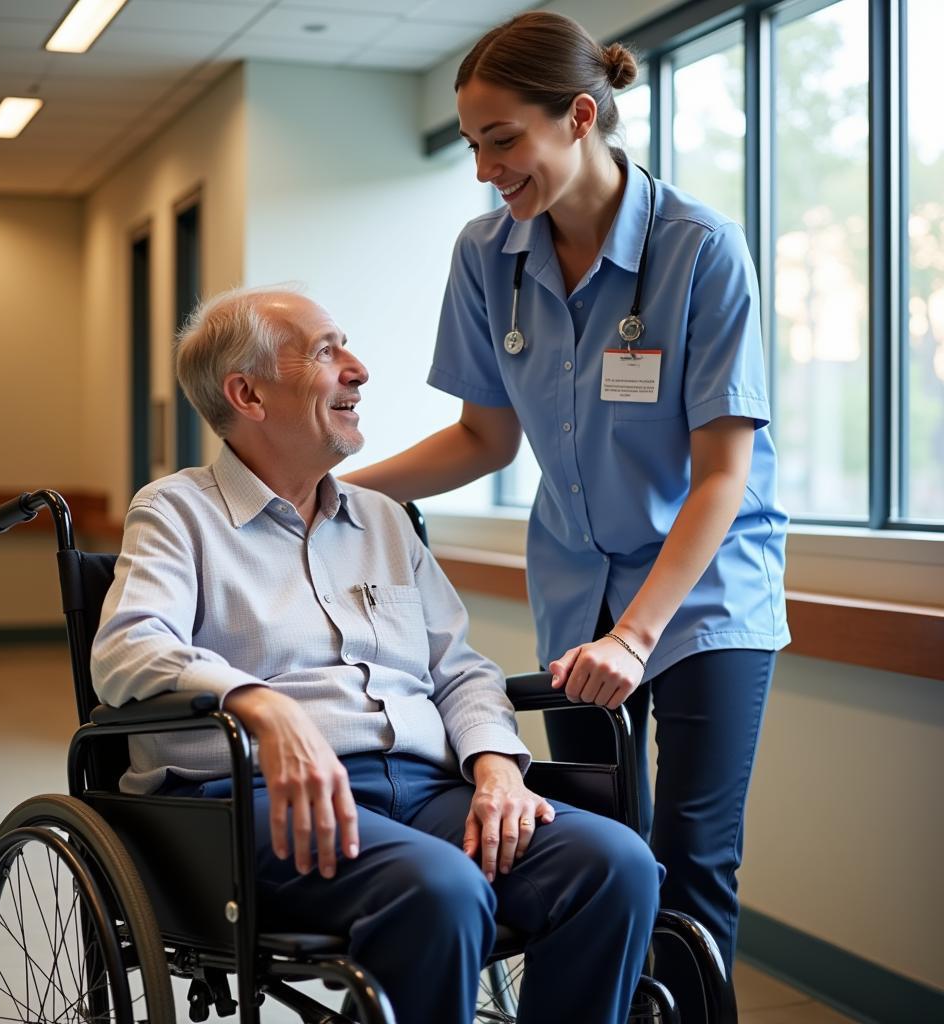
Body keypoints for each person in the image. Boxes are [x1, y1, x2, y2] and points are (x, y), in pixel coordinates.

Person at [343, 10, 790, 1004]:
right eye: (470, 145)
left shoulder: (699, 248)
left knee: (690, 856)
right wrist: (330, 489)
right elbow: (483, 438)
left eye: (502, 140)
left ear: (578, 116)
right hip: (578, 594)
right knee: (597, 849)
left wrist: (636, 636)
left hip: (703, 594)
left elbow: (722, 472)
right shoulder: (486, 255)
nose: (483, 168)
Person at [91, 285, 661, 1024]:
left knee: (616, 866)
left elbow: (458, 670)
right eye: (328, 351)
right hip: (256, 802)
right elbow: (129, 646)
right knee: (442, 889)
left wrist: (494, 769)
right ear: (248, 395)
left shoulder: (385, 522)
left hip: (425, 792)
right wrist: (260, 705)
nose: (359, 370)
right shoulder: (177, 512)